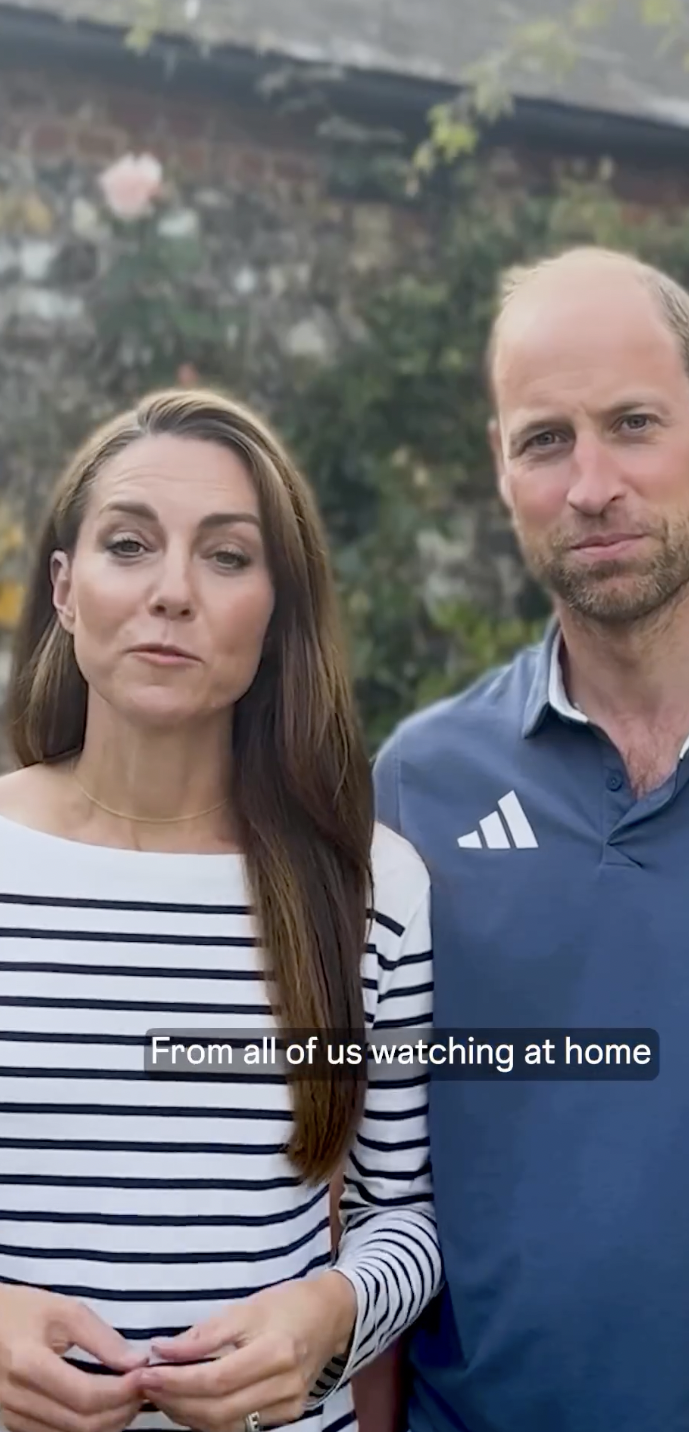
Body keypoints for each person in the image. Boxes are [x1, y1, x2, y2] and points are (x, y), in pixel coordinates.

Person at [373, 245, 689, 1432]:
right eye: (545, 439)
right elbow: (359, 1179)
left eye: (631, 423)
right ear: (499, 469)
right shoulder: (418, 785)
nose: (591, 482)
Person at [0, 387, 441, 1432]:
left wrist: (328, 1314)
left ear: (276, 613)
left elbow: (406, 1220)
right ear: (65, 588)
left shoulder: (371, 890)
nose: (173, 592)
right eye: (128, 544)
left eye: (228, 556)